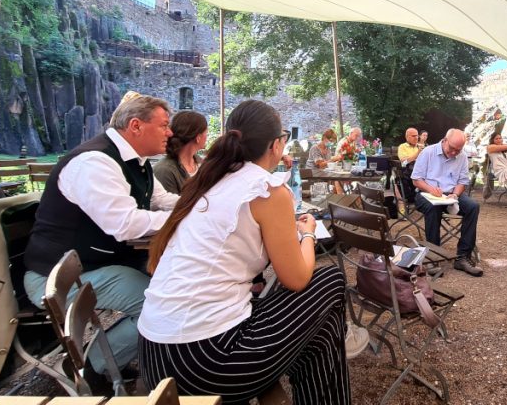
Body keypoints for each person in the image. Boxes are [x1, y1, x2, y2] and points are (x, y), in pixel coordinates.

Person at [138, 100, 353, 403]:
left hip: (156, 355)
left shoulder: (209, 179)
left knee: (320, 328)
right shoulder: (266, 189)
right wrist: (306, 234)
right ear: (277, 144)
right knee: (330, 282)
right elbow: (297, 279)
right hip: (204, 362)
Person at [23, 94, 179, 384]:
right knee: (162, 304)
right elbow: (126, 224)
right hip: (61, 277)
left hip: (93, 264)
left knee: (173, 285)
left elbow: (161, 200)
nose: (170, 133)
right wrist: (189, 218)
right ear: (135, 126)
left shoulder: (136, 160)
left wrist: (201, 205)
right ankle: (90, 368)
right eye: (164, 125)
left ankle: (117, 360)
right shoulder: (94, 163)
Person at [411, 129, 483, 276]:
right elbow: (416, 180)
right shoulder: (428, 152)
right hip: (426, 193)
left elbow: (462, 182)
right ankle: (432, 257)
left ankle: (463, 257)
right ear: (444, 140)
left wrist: (455, 195)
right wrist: (431, 190)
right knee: (433, 208)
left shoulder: (461, 156)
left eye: (458, 150)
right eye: (452, 148)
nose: (454, 153)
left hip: (450, 194)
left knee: (473, 207)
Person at [153, 110, 208, 194]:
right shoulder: (164, 170)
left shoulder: (202, 163)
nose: (207, 136)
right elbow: (166, 205)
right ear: (198, 137)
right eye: (206, 132)